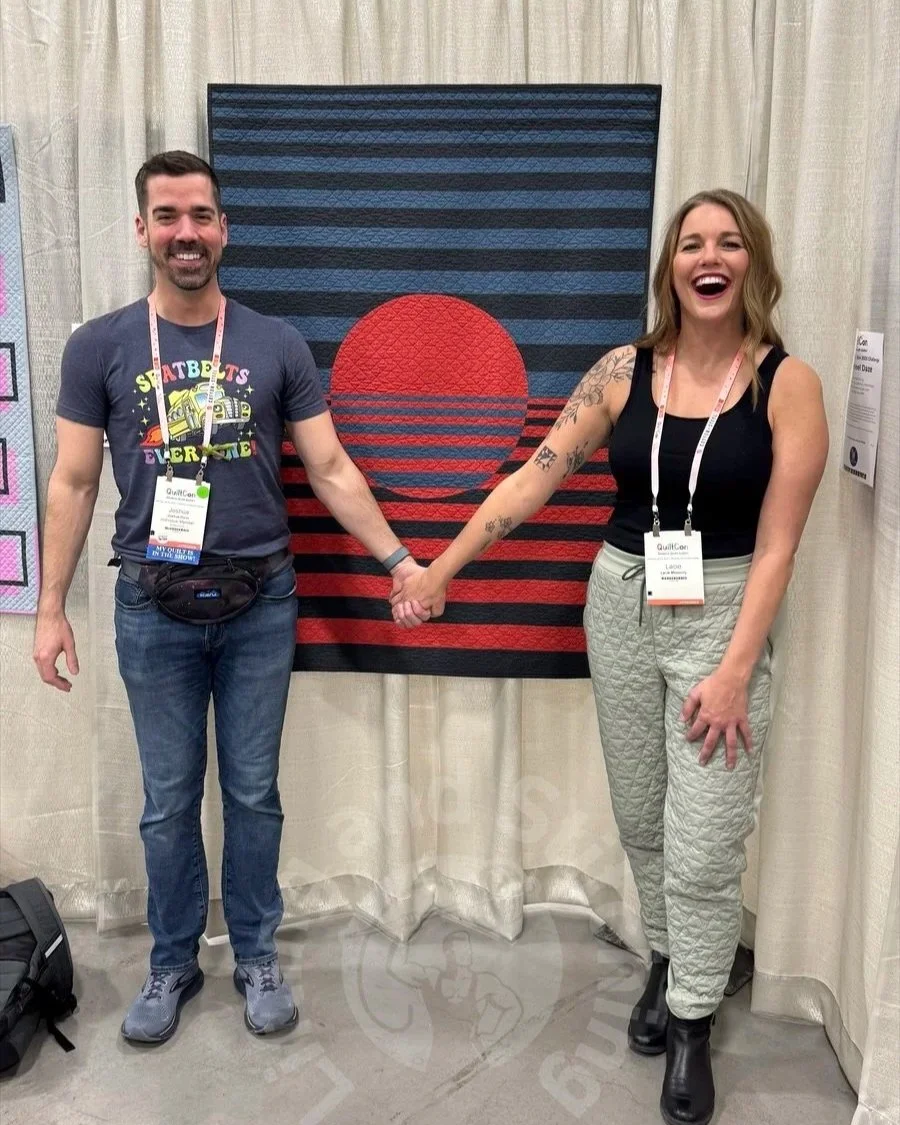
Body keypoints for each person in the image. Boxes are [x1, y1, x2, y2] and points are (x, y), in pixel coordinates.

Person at [391, 189, 828, 1125]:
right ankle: (672, 963)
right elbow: (535, 476)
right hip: (623, 599)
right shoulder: (623, 371)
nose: (709, 258)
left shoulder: (786, 383)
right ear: (670, 266)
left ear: (754, 263)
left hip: (726, 611)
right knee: (643, 814)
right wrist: (440, 569)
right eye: (690, 243)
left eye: (729, 243)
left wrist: (738, 665)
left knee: (708, 837)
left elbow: (785, 542)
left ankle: (694, 1020)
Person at [32, 151, 425, 1045]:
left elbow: (328, 466)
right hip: (150, 602)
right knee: (168, 799)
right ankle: (173, 959)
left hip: (260, 602)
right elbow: (73, 484)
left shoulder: (275, 342)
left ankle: (254, 951)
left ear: (224, 229)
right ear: (141, 229)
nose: (186, 233)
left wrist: (399, 557)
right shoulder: (100, 344)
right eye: (167, 216)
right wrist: (52, 606)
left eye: (201, 216)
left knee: (253, 791)